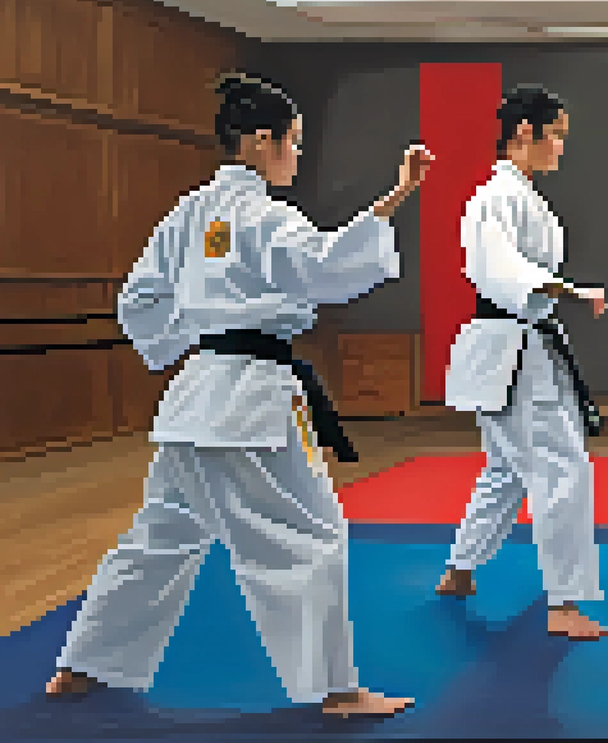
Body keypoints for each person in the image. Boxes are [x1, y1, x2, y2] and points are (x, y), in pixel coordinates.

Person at [46, 72, 424, 716]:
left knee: (160, 537)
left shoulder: (185, 214)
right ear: (257, 142)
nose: (296, 156)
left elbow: (138, 301)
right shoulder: (266, 216)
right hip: (251, 402)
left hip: (195, 394)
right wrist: (395, 199)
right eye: (292, 143)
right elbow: (326, 270)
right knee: (310, 535)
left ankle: (83, 666)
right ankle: (337, 690)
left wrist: (190, 338)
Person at [435, 85, 608, 642]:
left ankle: (460, 570)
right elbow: (498, 270)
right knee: (562, 468)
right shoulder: (494, 198)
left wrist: (556, 292)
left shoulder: (524, 195)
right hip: (510, 347)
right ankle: (564, 603)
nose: (561, 146)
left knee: (507, 470)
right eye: (554, 134)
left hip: (524, 345)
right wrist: (566, 289)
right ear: (523, 134)